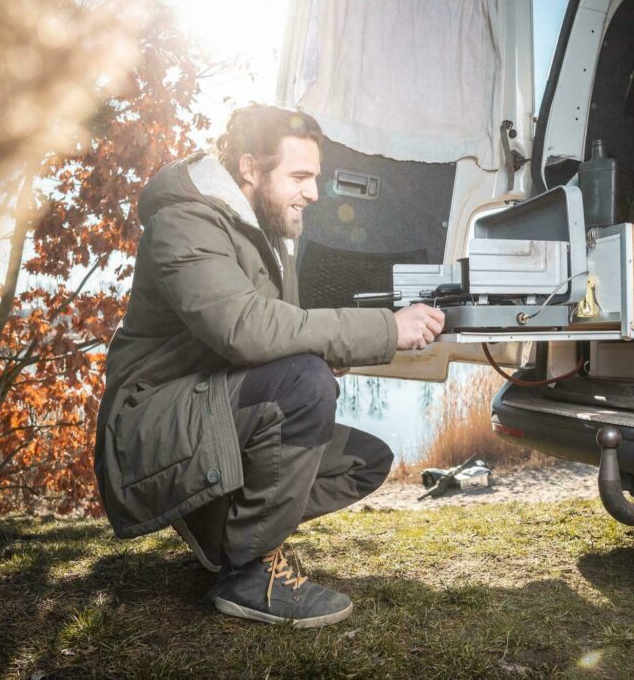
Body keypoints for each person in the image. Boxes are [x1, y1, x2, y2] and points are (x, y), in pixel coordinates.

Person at [93, 104, 445, 628]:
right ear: (250, 169)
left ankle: (221, 528)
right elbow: (247, 328)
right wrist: (386, 329)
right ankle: (249, 573)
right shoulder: (184, 221)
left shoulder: (269, 235)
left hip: (209, 413)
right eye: (299, 176)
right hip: (150, 426)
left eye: (316, 177)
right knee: (303, 384)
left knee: (364, 460)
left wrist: (323, 355)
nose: (314, 194)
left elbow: (282, 333)